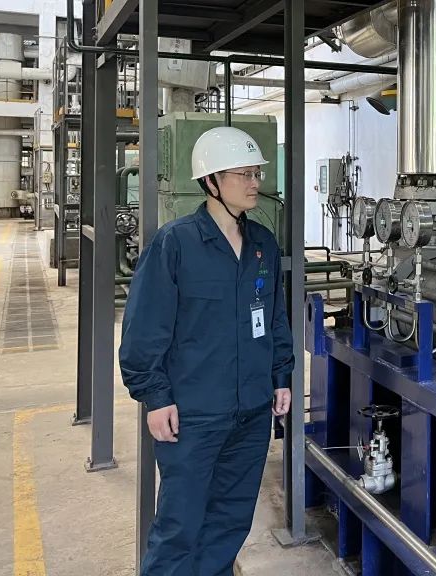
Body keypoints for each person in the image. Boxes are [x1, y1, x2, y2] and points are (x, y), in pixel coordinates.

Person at [119, 126, 295, 576]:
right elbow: (144, 331)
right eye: (245, 174)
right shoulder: (175, 244)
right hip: (194, 414)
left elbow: (274, 317)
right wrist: (155, 397)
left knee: (230, 521)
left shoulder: (263, 245)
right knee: (179, 527)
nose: (255, 183)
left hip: (251, 410)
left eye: (257, 173)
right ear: (211, 181)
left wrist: (281, 377)